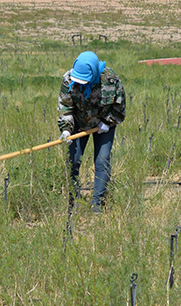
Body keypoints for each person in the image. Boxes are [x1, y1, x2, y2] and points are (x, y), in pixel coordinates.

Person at [58, 51, 126, 212]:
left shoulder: (111, 80)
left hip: (103, 126)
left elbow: (120, 108)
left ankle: (97, 204)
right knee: (73, 160)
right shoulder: (68, 80)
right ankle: (73, 200)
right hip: (78, 124)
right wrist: (67, 130)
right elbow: (65, 107)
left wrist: (107, 122)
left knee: (102, 161)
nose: (81, 83)